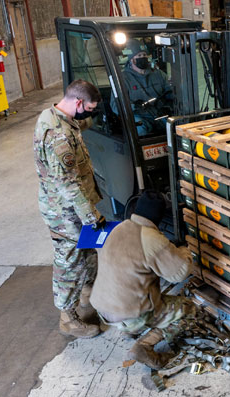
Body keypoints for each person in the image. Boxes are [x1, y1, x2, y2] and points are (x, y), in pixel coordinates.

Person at [91, 191, 200, 369]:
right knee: (188, 310)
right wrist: (185, 251)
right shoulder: (151, 238)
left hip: (103, 308)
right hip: (130, 312)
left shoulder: (117, 228)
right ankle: (144, 346)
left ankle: (130, 329)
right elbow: (179, 273)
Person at [33, 79, 104, 338]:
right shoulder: (58, 136)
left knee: (88, 255)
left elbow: (79, 125)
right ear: (78, 102)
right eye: (89, 108)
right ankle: (68, 318)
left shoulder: (56, 116)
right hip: (64, 213)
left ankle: (87, 299)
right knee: (69, 263)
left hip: (73, 209)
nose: (90, 113)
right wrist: (91, 217)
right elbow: (68, 184)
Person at [112, 39, 174, 136]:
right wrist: (133, 106)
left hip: (158, 112)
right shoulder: (122, 79)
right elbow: (115, 106)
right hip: (138, 115)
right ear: (132, 60)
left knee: (175, 124)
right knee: (141, 128)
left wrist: (167, 103)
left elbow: (170, 92)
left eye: (144, 55)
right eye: (139, 56)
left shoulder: (158, 74)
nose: (143, 58)